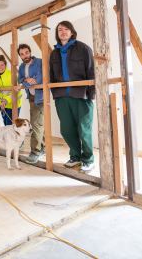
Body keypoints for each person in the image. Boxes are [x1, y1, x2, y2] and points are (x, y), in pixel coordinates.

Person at [50, 21, 95, 172]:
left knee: (84, 129)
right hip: (62, 97)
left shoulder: (83, 48)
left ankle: (88, 159)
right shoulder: (54, 53)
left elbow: (91, 71)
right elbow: (51, 75)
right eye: (59, 30)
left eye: (66, 29)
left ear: (72, 32)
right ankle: (75, 156)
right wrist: (55, 94)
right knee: (67, 130)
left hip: (81, 95)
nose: (62, 32)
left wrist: (91, 95)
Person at [16, 44, 45, 164]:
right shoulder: (22, 66)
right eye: (22, 54)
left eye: (26, 52)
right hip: (31, 97)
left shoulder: (39, 62)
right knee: (37, 123)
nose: (25, 56)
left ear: (30, 52)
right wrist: (27, 81)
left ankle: (35, 152)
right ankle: (42, 147)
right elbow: (20, 79)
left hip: (41, 97)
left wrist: (31, 81)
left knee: (36, 124)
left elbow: (41, 77)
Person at [0, 55, 22, 126]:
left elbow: (16, 91)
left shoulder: (11, 74)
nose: (0, 67)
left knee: (10, 127)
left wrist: (6, 100)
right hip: (3, 105)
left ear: (5, 65)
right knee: (6, 126)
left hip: (14, 104)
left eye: (2, 65)